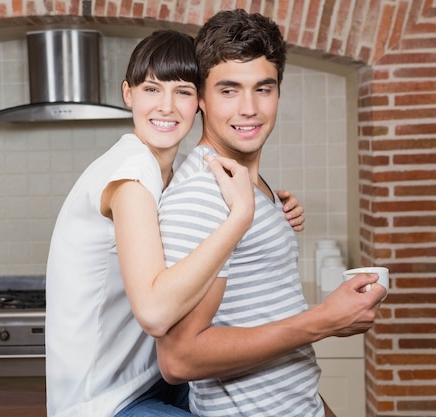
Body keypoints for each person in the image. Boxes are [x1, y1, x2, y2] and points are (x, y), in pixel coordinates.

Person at [45, 30, 304, 417]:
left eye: (182, 91)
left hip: (153, 382)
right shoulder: (132, 176)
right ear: (128, 94)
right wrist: (240, 219)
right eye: (151, 89)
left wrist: (274, 205)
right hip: (102, 402)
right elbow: (153, 313)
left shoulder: (174, 169)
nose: (166, 107)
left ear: (198, 102)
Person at [155, 9, 386, 417]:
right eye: (229, 90)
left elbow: (276, 342)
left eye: (263, 88)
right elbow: (180, 359)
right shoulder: (203, 195)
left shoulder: (250, 185)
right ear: (201, 98)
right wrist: (324, 321)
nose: (249, 109)